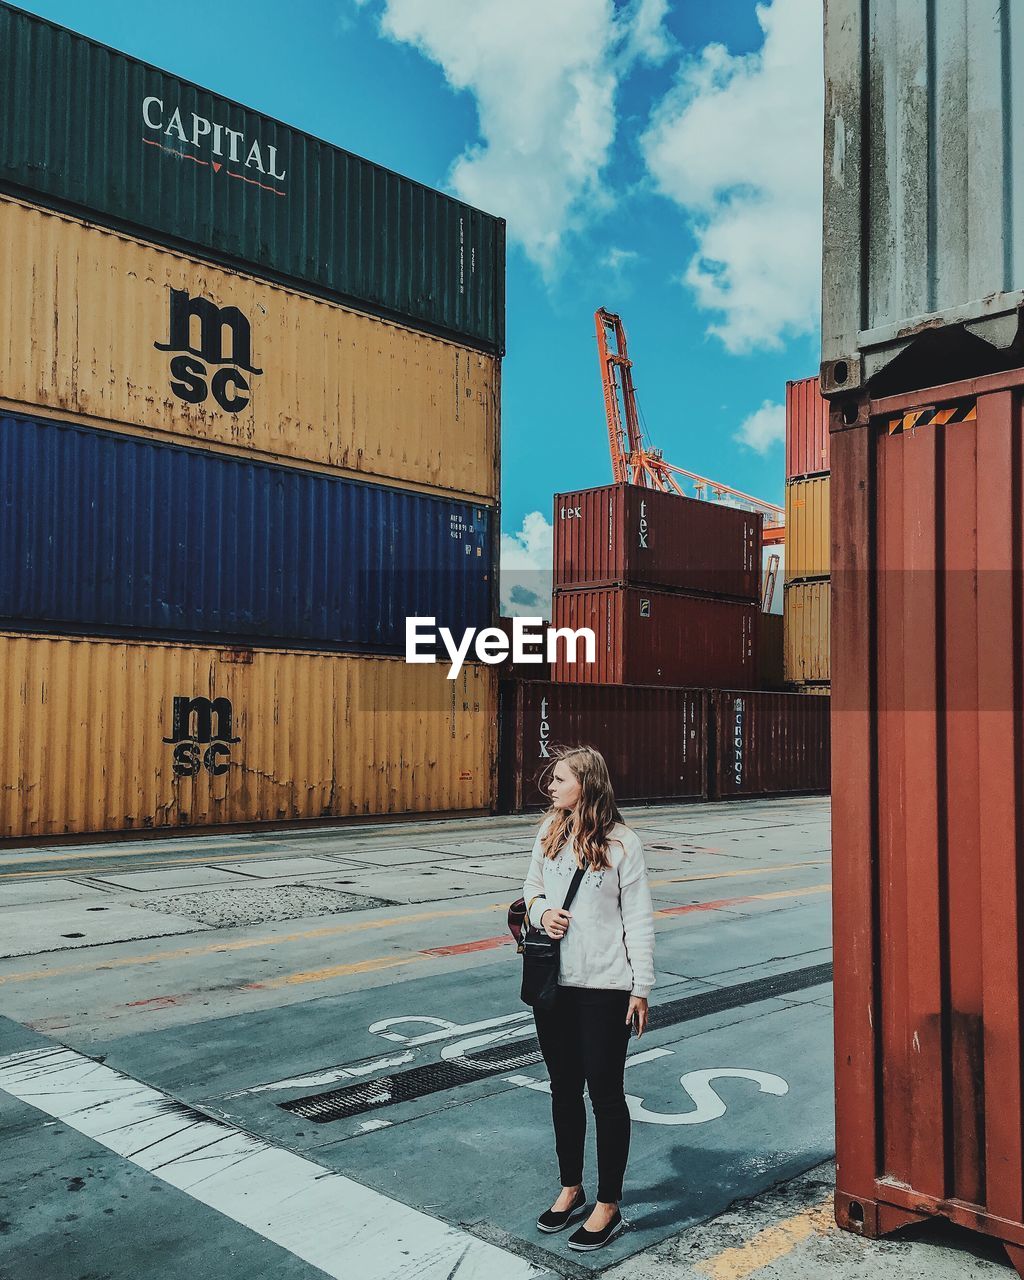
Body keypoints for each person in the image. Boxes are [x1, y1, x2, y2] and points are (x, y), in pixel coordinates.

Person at [521, 744, 655, 1252]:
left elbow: (638, 918)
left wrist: (641, 987)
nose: (550, 787)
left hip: (605, 988)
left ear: (587, 784)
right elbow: (530, 889)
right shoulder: (549, 834)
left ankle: (609, 1203)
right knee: (561, 1089)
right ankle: (571, 1187)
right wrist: (540, 914)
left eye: (559, 780)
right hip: (555, 986)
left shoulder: (623, 844)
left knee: (605, 1094)